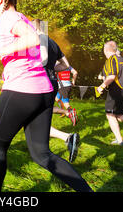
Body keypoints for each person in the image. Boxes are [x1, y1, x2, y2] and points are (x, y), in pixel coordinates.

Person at [0, 0, 93, 192]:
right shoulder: (21, 18)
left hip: (21, 89)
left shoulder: (9, 17)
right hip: (44, 91)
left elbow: (31, 40)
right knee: (41, 153)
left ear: (2, 0)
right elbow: (23, 52)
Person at [32, 18, 80, 163]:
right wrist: (51, 68)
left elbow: (44, 57)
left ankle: (42, 152)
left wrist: (31, 68)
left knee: (32, 118)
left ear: (34, 28)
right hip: (52, 83)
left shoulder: (39, 38)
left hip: (40, 82)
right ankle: (67, 138)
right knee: (38, 119)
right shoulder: (53, 42)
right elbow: (66, 64)